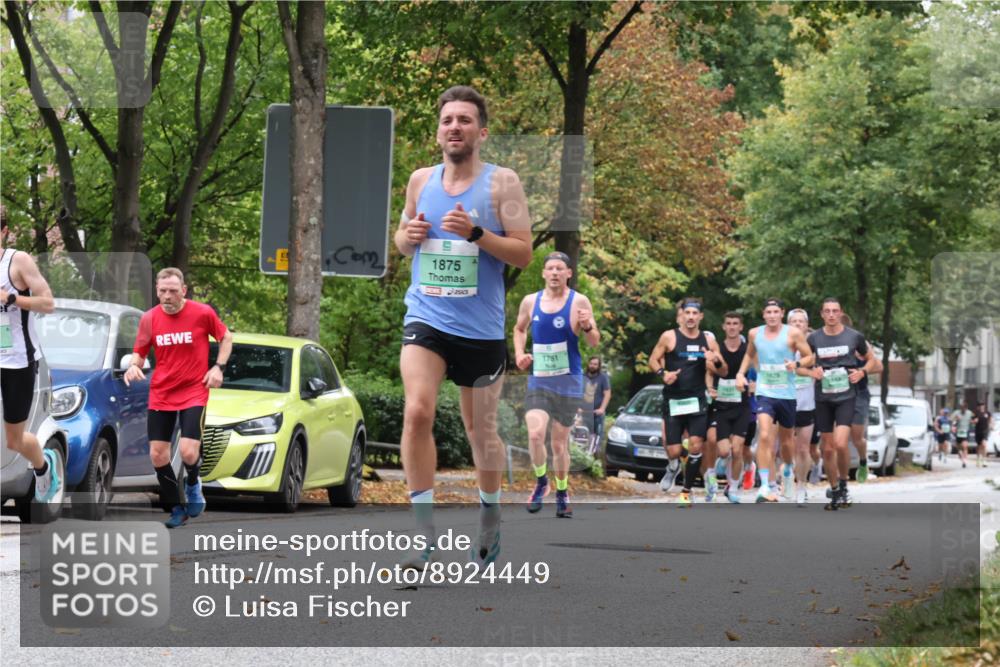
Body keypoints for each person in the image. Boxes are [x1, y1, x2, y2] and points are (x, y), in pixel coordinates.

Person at [393, 86, 532, 567]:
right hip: (426, 316)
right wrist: (407, 237)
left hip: (481, 328)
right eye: (448, 120)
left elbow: (523, 252)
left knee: (481, 433)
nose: (455, 127)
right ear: (438, 132)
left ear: (482, 132)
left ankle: (490, 514)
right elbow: (402, 238)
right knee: (417, 412)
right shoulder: (420, 180)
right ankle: (422, 533)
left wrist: (476, 233)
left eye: (465, 120)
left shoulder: (502, 183)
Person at [125, 268, 232, 528]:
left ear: (183, 290)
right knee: (158, 455)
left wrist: (218, 367)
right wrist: (133, 365)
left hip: (194, 389)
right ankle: (176, 508)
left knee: (187, 451)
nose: (167, 296)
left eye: (173, 291)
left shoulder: (202, 313)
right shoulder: (149, 319)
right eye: (162, 291)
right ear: (157, 291)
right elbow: (139, 352)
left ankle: (193, 482)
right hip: (162, 392)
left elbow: (226, 337)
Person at [514, 252, 600, 518]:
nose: (554, 273)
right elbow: (519, 329)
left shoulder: (579, 301)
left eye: (559, 268)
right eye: (550, 268)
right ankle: (542, 482)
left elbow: (594, 342)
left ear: (568, 273)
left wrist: (587, 326)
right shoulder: (531, 301)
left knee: (559, 445)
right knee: (535, 434)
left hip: (568, 382)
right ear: (543, 273)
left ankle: (562, 491)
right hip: (539, 380)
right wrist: (519, 354)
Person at [1, 214, 59, 504]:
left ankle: (43, 466)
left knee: (14, 439)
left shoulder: (17, 261)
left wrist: (10, 299)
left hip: (18, 361)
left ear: (4, 232)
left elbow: (48, 303)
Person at [648, 297, 727, 506]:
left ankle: (686, 491)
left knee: (695, 445)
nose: (691, 317)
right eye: (687, 313)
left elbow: (723, 370)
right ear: (681, 315)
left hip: (697, 400)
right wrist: (663, 373)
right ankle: (673, 465)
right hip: (674, 399)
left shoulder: (708, 340)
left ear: (700, 316)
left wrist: (715, 360)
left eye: (694, 313)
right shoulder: (669, 336)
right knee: (674, 450)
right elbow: (652, 359)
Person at [736, 298, 814, 503]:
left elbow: (810, 357)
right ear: (763, 314)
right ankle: (764, 486)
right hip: (765, 392)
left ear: (782, 313)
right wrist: (740, 374)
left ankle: (787, 468)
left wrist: (796, 364)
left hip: (787, 394)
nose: (772, 315)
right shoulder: (755, 333)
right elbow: (749, 354)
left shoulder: (793, 333)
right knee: (764, 435)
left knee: (787, 442)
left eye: (775, 312)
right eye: (768, 312)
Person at [805, 298, 872, 510]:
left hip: (846, 396)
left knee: (841, 444)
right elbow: (799, 366)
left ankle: (843, 484)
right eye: (827, 311)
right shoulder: (813, 338)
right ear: (822, 314)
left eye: (835, 311)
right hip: (823, 398)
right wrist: (811, 372)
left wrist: (862, 372)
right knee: (827, 449)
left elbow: (873, 361)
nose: (831, 315)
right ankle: (834, 491)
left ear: (841, 313)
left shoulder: (854, 336)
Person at [705, 312, 751, 503]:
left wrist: (753, 384)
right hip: (721, 406)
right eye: (729, 323)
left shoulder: (747, 349)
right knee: (724, 451)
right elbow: (709, 371)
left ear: (741, 327)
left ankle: (733, 487)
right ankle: (712, 474)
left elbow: (757, 369)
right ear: (724, 327)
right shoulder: (718, 349)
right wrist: (709, 388)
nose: (732, 327)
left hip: (742, 406)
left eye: (735, 324)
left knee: (737, 450)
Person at [840, 313, 884, 484]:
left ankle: (863, 461)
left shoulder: (859, 343)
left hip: (858, 393)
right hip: (836, 394)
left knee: (857, 437)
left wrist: (863, 369)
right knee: (839, 439)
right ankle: (841, 479)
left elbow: (879, 366)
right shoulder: (826, 343)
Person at [788, 308, 816, 505]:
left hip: (807, 402)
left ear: (807, 325)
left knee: (804, 448)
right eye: (794, 321)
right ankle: (787, 477)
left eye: (801, 321)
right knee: (786, 447)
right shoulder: (781, 345)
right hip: (785, 400)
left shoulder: (814, 346)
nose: (798, 324)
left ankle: (802, 486)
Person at [583, 356, 611, 456]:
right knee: (583, 436)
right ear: (588, 364)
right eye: (591, 363)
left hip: (597, 413)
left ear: (599, 366)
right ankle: (583, 456)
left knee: (597, 438)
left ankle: (594, 458)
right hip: (584, 412)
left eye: (595, 364)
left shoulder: (603, 377)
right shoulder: (582, 376)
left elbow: (607, 394)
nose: (592, 366)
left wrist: (602, 409)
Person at [953, 401, 975, 469]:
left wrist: (973, 421)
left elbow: (974, 418)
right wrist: (955, 420)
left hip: (966, 431)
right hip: (958, 431)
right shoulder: (956, 412)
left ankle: (964, 461)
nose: (963, 409)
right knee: (959, 448)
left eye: (964, 408)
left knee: (965, 446)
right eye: (961, 408)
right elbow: (951, 419)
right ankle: (961, 457)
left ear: (966, 408)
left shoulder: (970, 413)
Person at [973, 401, 992, 468]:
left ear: (984, 406)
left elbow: (990, 420)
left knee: (984, 445)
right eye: (980, 405)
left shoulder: (987, 413)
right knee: (979, 446)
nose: (981, 406)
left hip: (985, 431)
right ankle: (978, 458)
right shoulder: (976, 413)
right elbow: (972, 421)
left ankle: (984, 460)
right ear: (978, 407)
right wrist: (975, 421)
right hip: (978, 431)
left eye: (982, 405)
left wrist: (991, 425)